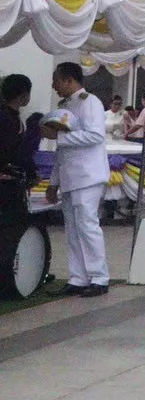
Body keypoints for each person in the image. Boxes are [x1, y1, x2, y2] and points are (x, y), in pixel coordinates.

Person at [45, 63, 110, 297]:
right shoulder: (65, 105)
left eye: (57, 81)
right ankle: (79, 277)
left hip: (88, 175)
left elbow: (95, 135)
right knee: (72, 229)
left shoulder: (89, 101)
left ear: (69, 80)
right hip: (70, 176)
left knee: (87, 226)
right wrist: (54, 181)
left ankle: (99, 277)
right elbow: (61, 153)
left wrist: (60, 136)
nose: (54, 86)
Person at [0, 75, 35, 222]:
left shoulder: (10, 116)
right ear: (23, 95)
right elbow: (16, 151)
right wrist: (30, 171)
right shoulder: (8, 119)